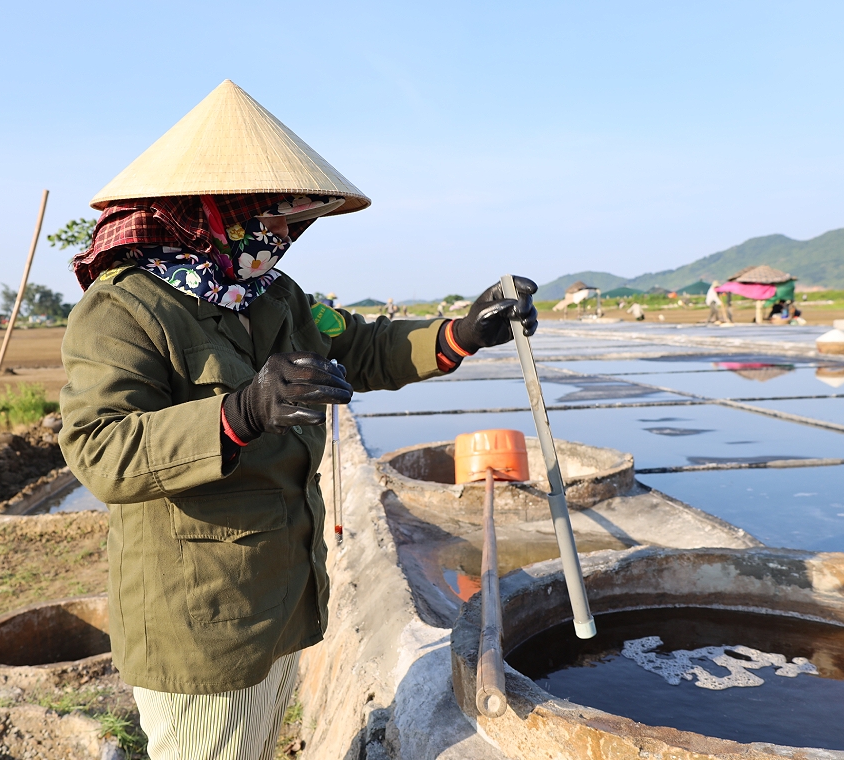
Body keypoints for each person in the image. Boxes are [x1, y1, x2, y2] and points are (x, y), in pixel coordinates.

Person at [58, 80, 538, 760]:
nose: (282, 235)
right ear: (208, 212)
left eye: (292, 220)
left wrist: (460, 332)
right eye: (270, 217)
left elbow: (355, 348)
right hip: (201, 616)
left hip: (281, 597)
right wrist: (241, 411)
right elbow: (102, 451)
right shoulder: (127, 309)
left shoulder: (273, 296)